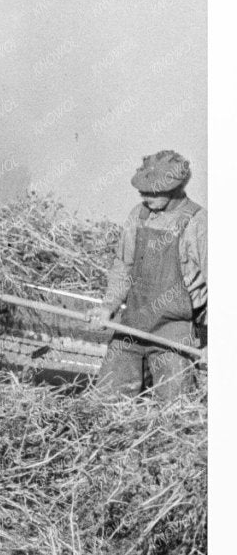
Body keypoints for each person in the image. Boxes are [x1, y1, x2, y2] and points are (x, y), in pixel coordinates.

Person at [94, 150, 206, 401]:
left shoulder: (197, 222)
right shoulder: (139, 214)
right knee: (105, 403)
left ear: (176, 187)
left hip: (173, 332)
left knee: (175, 411)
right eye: (142, 191)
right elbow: (123, 265)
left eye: (152, 192)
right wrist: (108, 306)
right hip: (132, 323)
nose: (145, 197)